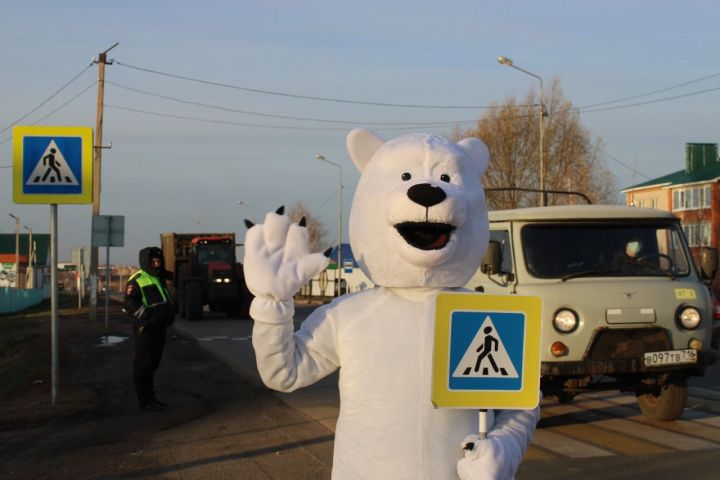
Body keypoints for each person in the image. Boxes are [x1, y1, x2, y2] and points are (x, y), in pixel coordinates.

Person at [123, 246, 174, 411]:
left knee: (152, 365)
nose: (156, 263)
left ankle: (151, 399)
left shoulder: (158, 278)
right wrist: (149, 317)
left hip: (159, 328)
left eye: (158, 260)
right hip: (145, 330)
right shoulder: (137, 280)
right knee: (143, 365)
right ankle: (145, 402)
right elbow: (131, 304)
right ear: (146, 261)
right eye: (153, 260)